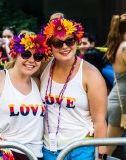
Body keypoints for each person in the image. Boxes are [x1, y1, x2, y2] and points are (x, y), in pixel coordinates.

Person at [0, 31, 51, 160]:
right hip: (0, 154)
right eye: (26, 54)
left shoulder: (38, 83)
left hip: (33, 155)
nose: (32, 60)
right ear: (15, 54)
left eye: (38, 56)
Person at [39, 17, 107, 160]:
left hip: (81, 149)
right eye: (58, 43)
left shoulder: (91, 74)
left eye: (69, 41)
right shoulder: (43, 67)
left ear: (76, 41)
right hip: (49, 149)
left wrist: (101, 156)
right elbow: (18, 75)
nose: (64, 47)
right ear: (50, 45)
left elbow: (99, 120)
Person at [105, 13, 126, 156]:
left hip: (119, 101)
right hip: (121, 104)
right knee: (107, 149)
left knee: (108, 148)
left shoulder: (121, 45)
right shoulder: (125, 47)